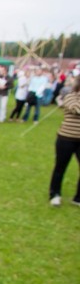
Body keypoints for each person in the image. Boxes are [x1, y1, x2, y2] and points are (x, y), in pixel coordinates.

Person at [48, 77, 80, 207]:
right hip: (66, 138)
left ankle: (78, 198)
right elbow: (76, 109)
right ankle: (55, 194)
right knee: (60, 167)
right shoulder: (70, 96)